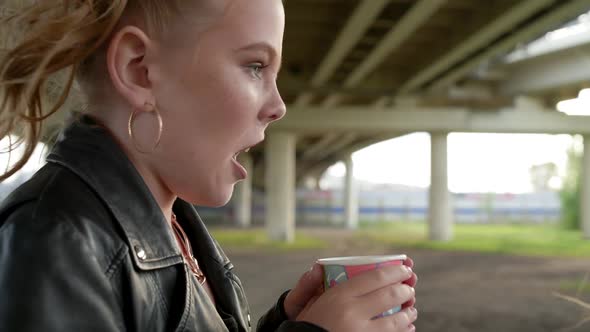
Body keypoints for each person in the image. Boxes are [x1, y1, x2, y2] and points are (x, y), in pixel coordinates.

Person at [0, 1, 418, 331]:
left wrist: (289, 323)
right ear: (139, 69)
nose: (278, 106)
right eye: (255, 66)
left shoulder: (171, 220)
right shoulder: (56, 240)